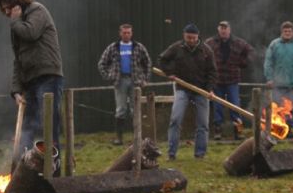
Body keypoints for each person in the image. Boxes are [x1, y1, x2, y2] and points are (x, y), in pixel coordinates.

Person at [0, 0, 65, 174]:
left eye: (8, 9)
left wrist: (15, 21)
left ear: (17, 4)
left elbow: (31, 33)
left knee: (49, 124)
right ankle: (24, 170)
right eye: (4, 10)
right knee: (27, 126)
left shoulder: (37, 11)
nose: (7, 14)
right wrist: (16, 90)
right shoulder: (16, 24)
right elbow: (18, 59)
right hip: (30, 81)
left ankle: (54, 169)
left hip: (48, 75)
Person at [158, 24, 217, 160]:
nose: (190, 40)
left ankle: (200, 154)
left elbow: (212, 72)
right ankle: (171, 154)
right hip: (182, 89)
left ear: (198, 37)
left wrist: (208, 89)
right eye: (188, 37)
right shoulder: (177, 48)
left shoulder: (206, 51)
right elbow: (162, 60)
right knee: (175, 120)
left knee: (203, 124)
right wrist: (170, 73)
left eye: (193, 38)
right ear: (184, 36)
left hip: (201, 90)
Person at [98, 23, 152, 145]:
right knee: (121, 109)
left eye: (128, 32)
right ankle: (119, 138)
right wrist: (109, 76)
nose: (126, 34)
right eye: (124, 32)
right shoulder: (113, 47)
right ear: (120, 33)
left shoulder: (138, 47)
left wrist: (145, 79)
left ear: (131, 33)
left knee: (135, 110)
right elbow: (102, 63)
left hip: (135, 81)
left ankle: (136, 138)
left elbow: (148, 63)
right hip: (120, 81)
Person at [204, 21, 253, 140]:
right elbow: (202, 55)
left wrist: (242, 63)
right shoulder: (210, 42)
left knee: (235, 106)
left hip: (232, 81)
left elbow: (250, 52)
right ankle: (217, 131)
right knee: (217, 107)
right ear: (218, 30)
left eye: (225, 28)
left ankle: (238, 131)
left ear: (229, 30)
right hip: (217, 81)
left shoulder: (238, 42)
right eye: (221, 28)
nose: (223, 31)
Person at [264, 21, 293, 138]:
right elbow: (268, 62)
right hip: (278, 84)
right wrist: (269, 78)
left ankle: (288, 131)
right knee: (278, 107)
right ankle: (277, 131)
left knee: (290, 109)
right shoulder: (274, 44)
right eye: (285, 31)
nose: (287, 33)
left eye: (289, 31)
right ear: (282, 32)